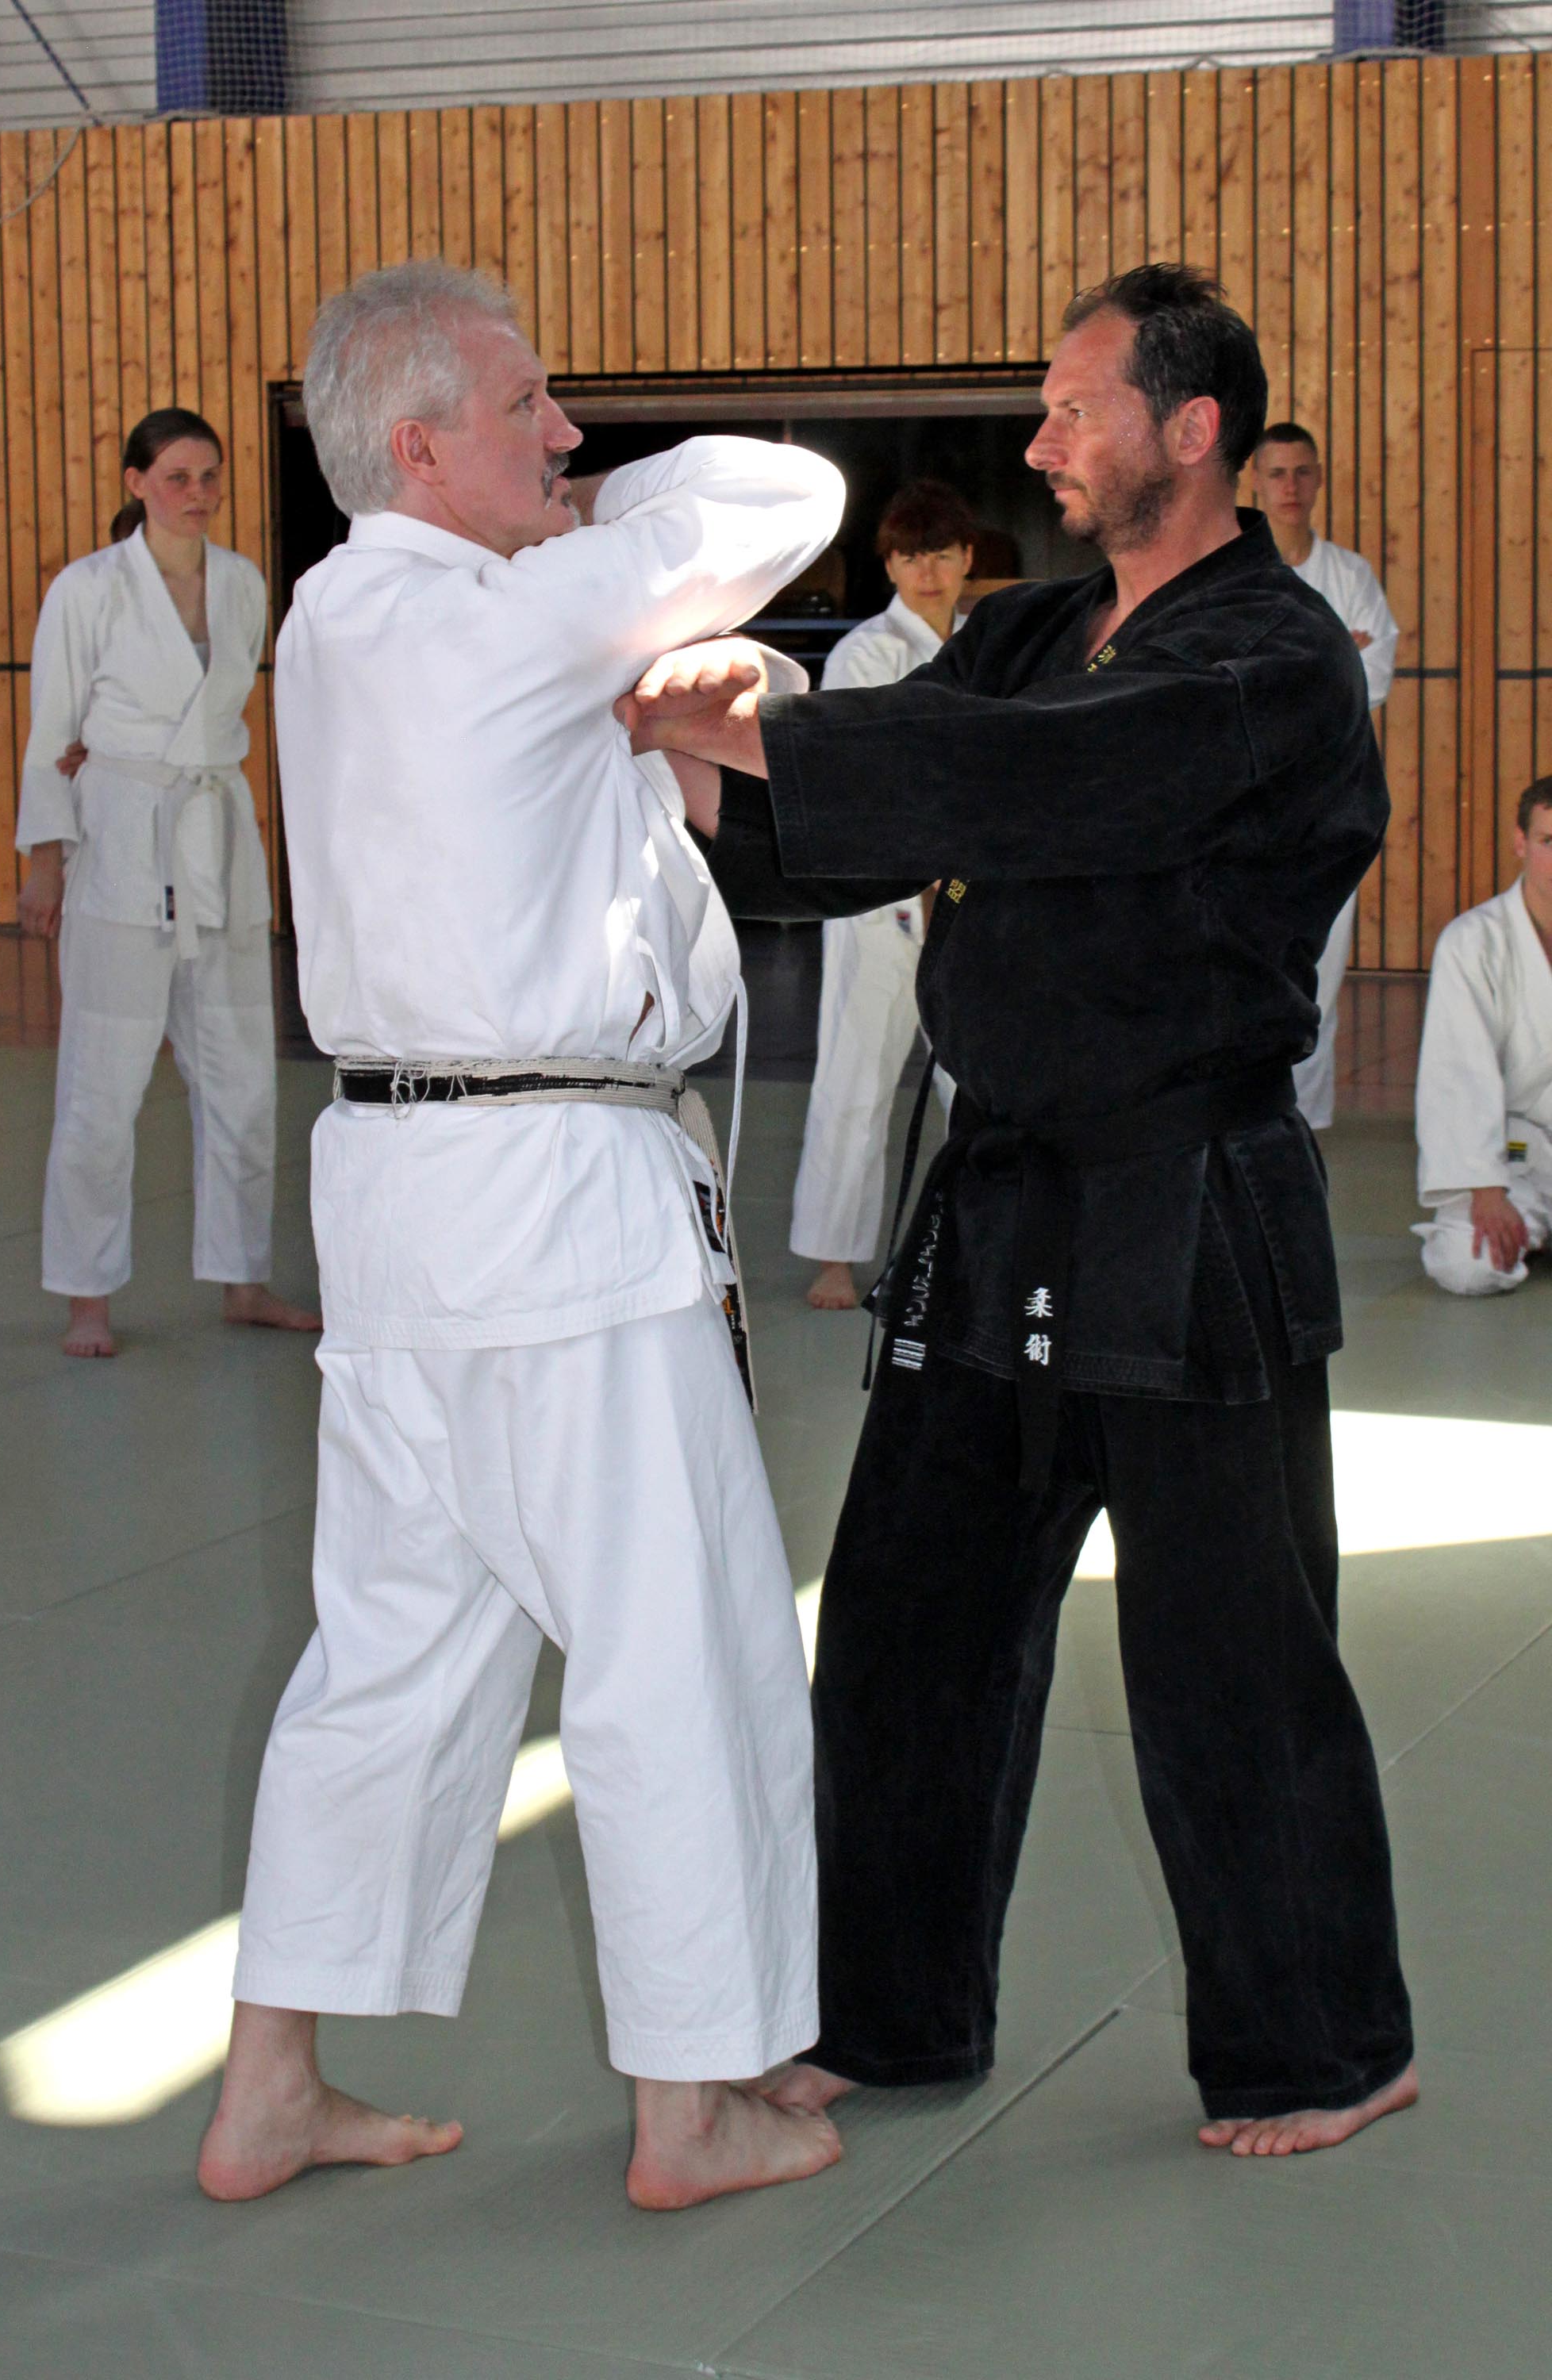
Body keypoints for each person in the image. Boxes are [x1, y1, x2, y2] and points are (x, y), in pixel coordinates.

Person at [625, 264, 1416, 2159]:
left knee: (1228, 1654)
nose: (1041, 440)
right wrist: (684, 754)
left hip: (1185, 1196)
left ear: (1189, 428)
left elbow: (1050, 783)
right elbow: (886, 822)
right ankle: (889, 2013)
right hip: (998, 1198)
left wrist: (763, 730)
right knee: (909, 1625)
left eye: (1074, 407)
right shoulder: (1030, 627)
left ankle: (1324, 2044)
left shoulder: (1272, 657)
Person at [197, 262, 848, 2214]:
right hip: (556, 1213)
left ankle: (268, 2087)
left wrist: (566, 542)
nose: (565, 436)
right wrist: (597, 531)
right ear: (414, 449)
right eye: (527, 408)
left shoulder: (335, 622)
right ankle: (689, 2106)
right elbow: (787, 492)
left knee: (392, 1654)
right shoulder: (496, 618)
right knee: (680, 1643)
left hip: (404, 1210)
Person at [13, 409, 319, 1358]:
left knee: (241, 1080)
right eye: (179, 476)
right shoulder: (87, 589)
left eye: (210, 476)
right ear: (137, 482)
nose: (198, 493)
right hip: (121, 840)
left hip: (216, 838)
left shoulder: (243, 584)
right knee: (100, 1085)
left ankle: (243, 1280)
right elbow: (51, 730)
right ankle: (86, 1298)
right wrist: (44, 860)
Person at [790, 480, 972, 1311]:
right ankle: (834, 1258)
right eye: (909, 556)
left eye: (941, 554)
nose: (926, 571)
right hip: (880, 898)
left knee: (974, 1082)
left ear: (966, 559)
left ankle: (978, 1248)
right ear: (889, 565)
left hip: (970, 890)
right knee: (857, 1072)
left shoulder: (988, 644)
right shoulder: (865, 652)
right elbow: (864, 774)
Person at [1254, 420, 1400, 1129]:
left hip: (1332, 805)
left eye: (1302, 472)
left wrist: (1290, 676)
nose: (1291, 486)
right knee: (1248, 964)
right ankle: (1246, 1114)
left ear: (1318, 479)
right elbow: (1232, 688)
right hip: (1249, 804)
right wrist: (1335, 651)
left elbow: (1373, 678)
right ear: (1255, 482)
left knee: (1321, 970)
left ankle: (1303, 1124)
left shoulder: (1351, 576)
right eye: (1277, 473)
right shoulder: (1236, 574)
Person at [1412, 777, 1552, 1294]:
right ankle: (1522, 1222)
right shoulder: (1472, 942)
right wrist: (1486, 1187)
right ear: (1520, 842)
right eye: (1549, 841)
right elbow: (1458, 1070)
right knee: (1466, 1263)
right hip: (1513, 1156)